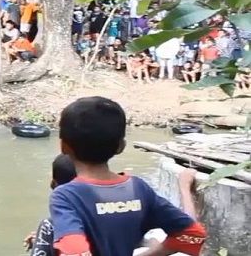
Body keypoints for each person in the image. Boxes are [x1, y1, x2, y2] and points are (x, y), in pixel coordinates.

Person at [50, 96, 206, 256]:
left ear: (64, 146)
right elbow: (193, 234)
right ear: (121, 146)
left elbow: (75, 251)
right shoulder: (138, 188)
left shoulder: (66, 196)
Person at [25, 155, 201, 256]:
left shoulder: (51, 226)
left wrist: (46, 241)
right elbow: (189, 230)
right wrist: (185, 189)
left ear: (53, 184)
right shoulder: (127, 207)